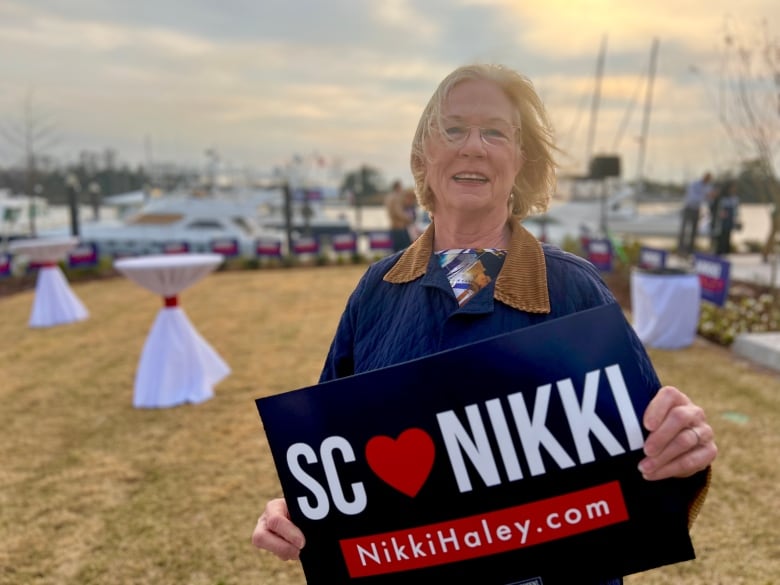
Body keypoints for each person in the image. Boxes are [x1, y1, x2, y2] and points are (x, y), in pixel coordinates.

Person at [252, 64, 717, 584]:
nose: (473, 145)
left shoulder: (574, 289)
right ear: (422, 156)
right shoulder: (375, 293)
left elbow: (648, 466)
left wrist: (685, 451)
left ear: (520, 161)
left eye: (495, 131)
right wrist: (295, 510)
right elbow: (332, 463)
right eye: (453, 128)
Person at [677, 171, 713, 255]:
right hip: (688, 208)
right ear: (704, 177)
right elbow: (692, 197)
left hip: (697, 210)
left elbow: (708, 201)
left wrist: (710, 197)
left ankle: (690, 250)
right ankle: (681, 249)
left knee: (694, 231)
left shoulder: (708, 187)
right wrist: (705, 196)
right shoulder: (694, 184)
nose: (708, 180)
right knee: (684, 230)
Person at [385, 179, 417, 251]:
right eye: (401, 187)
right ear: (398, 187)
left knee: (396, 248)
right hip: (400, 226)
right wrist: (408, 219)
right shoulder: (396, 198)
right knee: (404, 248)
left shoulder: (389, 197)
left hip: (393, 225)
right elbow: (398, 212)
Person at [713, 180, 740, 256]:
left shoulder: (735, 198)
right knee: (721, 235)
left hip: (730, 220)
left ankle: (725, 252)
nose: (734, 189)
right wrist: (720, 214)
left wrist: (737, 219)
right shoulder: (722, 198)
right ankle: (719, 252)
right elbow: (717, 208)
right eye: (732, 187)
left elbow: (736, 210)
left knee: (728, 235)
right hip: (722, 220)